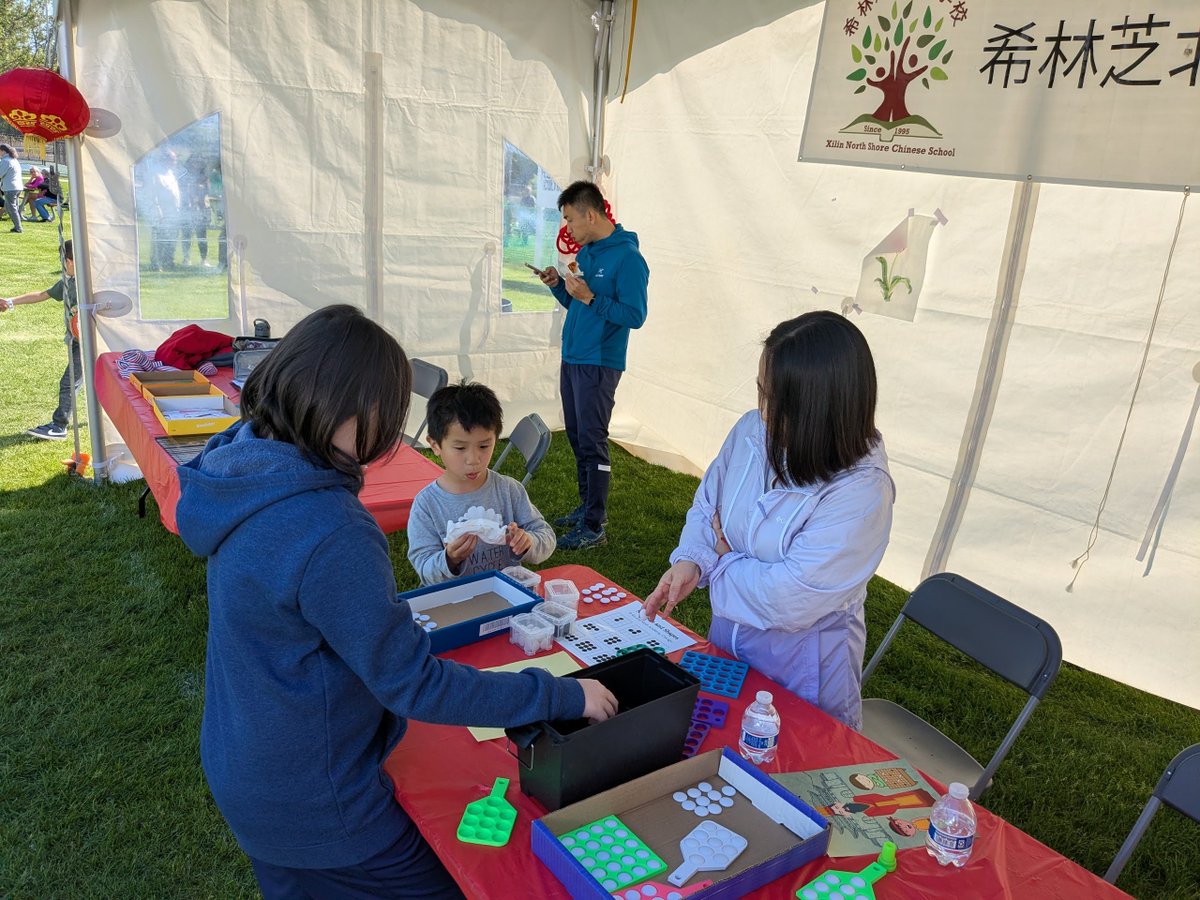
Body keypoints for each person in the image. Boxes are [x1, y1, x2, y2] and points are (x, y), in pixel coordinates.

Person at [175, 305, 617, 899]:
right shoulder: (330, 527)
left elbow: (326, 621)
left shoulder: (243, 465)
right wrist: (562, 692)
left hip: (248, 759)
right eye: (385, 412)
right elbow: (414, 684)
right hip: (315, 798)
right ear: (349, 406)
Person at [643, 311, 895, 730]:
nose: (762, 410)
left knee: (786, 771)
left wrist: (719, 560)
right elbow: (709, 505)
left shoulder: (862, 492)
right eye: (762, 390)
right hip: (729, 651)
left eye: (776, 400)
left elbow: (789, 598)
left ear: (817, 410)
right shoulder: (751, 430)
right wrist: (692, 560)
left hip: (804, 678)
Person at [535, 180, 649, 550]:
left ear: (590, 213)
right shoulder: (589, 253)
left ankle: (594, 523)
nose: (567, 228)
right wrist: (559, 287)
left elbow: (635, 315)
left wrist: (590, 297)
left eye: (569, 219)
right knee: (577, 436)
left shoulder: (628, 259)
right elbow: (580, 303)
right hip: (574, 357)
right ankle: (586, 507)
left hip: (599, 362)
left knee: (593, 439)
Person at [407, 381, 556, 586]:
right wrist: (450, 559)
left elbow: (546, 535)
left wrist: (529, 541)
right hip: (454, 601)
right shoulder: (427, 504)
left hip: (506, 595)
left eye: (484, 446)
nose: (474, 459)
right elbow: (424, 567)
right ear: (435, 445)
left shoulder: (509, 491)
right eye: (460, 448)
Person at [1, 240, 81, 440]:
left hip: (88, 343)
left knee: (69, 382)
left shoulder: (88, 284)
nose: (61, 264)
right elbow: (41, 295)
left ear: (71, 261)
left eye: (63, 260)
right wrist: (10, 302)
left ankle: (59, 426)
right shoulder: (67, 281)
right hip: (76, 342)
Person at [146, 149, 180, 270]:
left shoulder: (171, 172)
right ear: (165, 160)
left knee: (171, 238)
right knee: (159, 239)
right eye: (173, 159)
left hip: (173, 211)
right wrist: (157, 209)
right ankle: (156, 263)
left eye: (175, 159)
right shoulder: (155, 173)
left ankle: (168, 262)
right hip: (161, 212)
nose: (175, 162)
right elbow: (152, 193)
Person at [179, 154, 211, 267]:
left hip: (201, 211)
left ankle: (204, 260)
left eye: (198, 162)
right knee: (187, 235)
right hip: (187, 211)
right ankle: (186, 259)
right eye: (193, 162)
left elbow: (207, 195)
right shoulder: (183, 177)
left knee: (202, 236)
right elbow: (181, 194)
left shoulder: (204, 178)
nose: (196, 164)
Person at [1, 144, 24, 233]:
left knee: (11, 208)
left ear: (3, 151)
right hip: (17, 187)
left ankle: (18, 227)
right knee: (12, 207)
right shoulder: (14, 160)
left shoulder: (6, 161)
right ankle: (17, 226)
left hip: (10, 187)